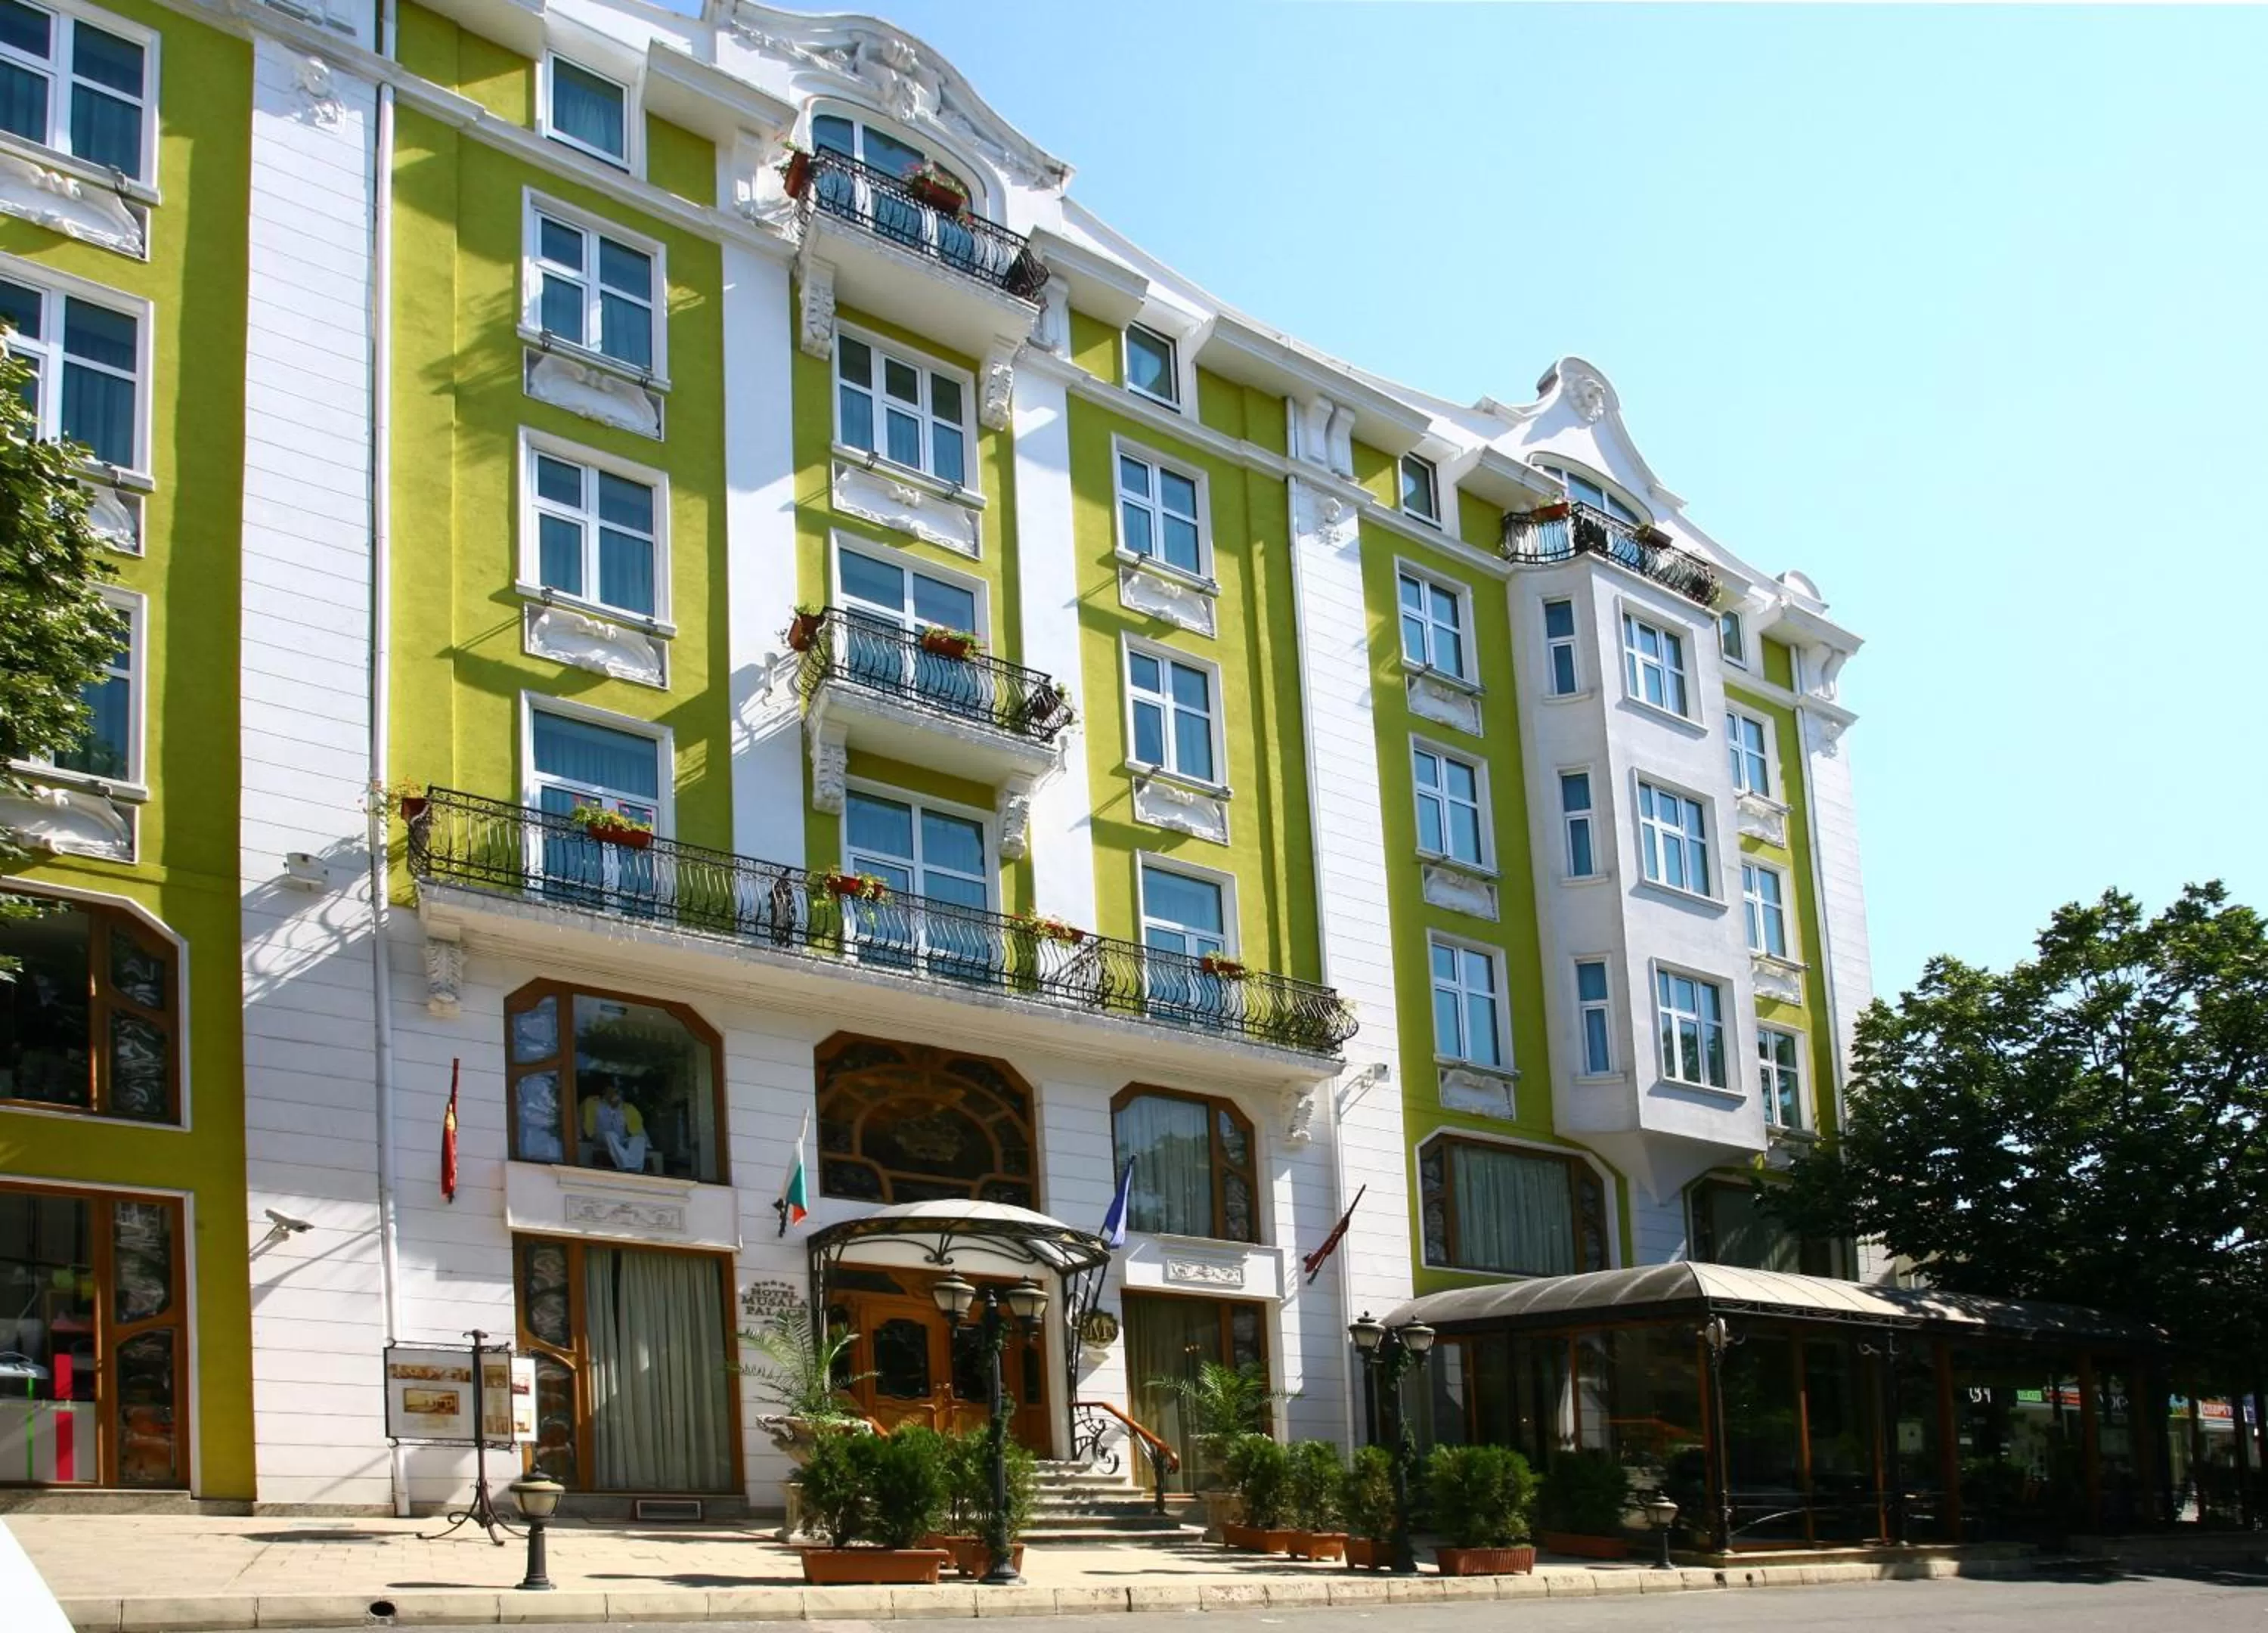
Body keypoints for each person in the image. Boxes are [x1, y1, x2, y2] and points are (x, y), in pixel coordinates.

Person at [580, 1080, 649, 1172]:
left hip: (621, 1140)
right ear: (605, 1091)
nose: (614, 1093)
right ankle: (625, 1165)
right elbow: (580, 1119)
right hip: (600, 1138)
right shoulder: (592, 1103)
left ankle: (634, 1167)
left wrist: (648, 1145)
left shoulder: (628, 1108)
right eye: (612, 1090)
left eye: (617, 1091)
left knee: (639, 1139)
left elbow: (638, 1130)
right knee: (610, 1135)